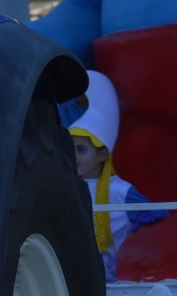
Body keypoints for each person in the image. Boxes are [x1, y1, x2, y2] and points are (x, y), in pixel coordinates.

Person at [68, 71, 165, 281]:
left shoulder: (121, 190)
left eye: (81, 149)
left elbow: (154, 218)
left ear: (102, 154)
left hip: (117, 281)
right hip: (80, 279)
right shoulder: (67, 188)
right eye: (70, 148)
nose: (73, 155)